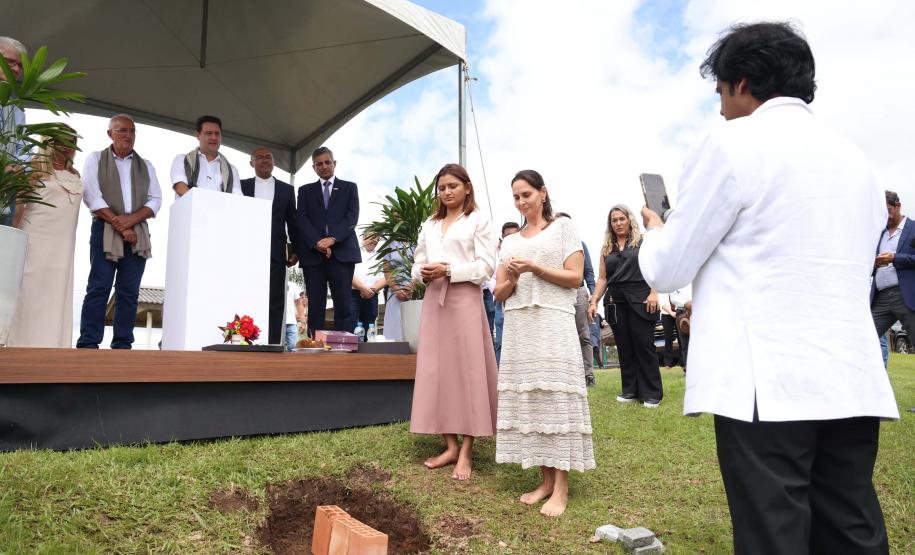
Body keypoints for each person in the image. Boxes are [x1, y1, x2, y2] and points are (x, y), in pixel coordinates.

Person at [638, 22, 898, 554]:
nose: (719, 108)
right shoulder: (858, 161)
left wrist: (656, 230)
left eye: (720, 92)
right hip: (849, 372)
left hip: (766, 380)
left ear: (743, 82)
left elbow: (667, 269)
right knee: (851, 527)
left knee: (772, 534)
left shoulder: (731, 143)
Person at [494, 169, 595, 517]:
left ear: (543, 193)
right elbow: (499, 292)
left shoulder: (564, 227)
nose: (522, 202)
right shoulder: (509, 242)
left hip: (553, 319)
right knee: (532, 400)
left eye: (527, 194)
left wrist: (535, 267)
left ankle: (562, 487)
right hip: (520, 323)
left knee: (555, 398)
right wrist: (513, 276)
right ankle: (545, 480)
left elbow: (575, 277)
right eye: (517, 197)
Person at [410, 163, 498, 481]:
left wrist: (449, 270)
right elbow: (417, 261)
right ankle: (448, 445)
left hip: (464, 300)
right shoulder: (430, 223)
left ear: (467, 187)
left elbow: (486, 266)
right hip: (435, 301)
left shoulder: (479, 220)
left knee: (467, 370)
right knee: (438, 370)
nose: (447, 192)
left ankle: (467, 450)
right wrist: (424, 271)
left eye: (453, 186)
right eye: (442, 188)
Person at [77, 115, 162, 349]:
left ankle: (123, 344)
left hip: (138, 234)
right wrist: (121, 225)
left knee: (129, 292)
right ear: (110, 134)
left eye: (132, 131)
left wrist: (131, 221)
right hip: (104, 229)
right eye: (122, 130)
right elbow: (91, 196)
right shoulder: (95, 159)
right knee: (99, 287)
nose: (128, 135)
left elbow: (155, 200)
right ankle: (88, 343)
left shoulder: (147, 165)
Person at [7, 128, 81, 347]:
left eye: (72, 141)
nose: (68, 145)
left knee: (57, 295)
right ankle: (21, 349)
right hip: (35, 244)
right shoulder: (32, 170)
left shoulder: (76, 175)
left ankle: (52, 349)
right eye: (62, 141)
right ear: (49, 143)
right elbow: (19, 207)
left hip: (63, 249)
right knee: (30, 295)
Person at [588, 205, 663, 407]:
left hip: (641, 298)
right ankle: (630, 390)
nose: (619, 223)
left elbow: (655, 268)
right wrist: (593, 300)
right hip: (615, 300)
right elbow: (603, 278)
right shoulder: (606, 248)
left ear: (629, 219)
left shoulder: (643, 242)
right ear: (610, 224)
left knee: (643, 345)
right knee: (624, 346)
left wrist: (654, 292)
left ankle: (652, 393)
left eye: (622, 219)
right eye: (614, 220)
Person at [295, 146, 360, 334]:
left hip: (342, 253)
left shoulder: (349, 187)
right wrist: (318, 243)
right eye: (319, 164)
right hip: (313, 255)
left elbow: (352, 217)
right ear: (313, 167)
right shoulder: (305, 191)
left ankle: (344, 346)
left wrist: (332, 239)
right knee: (315, 303)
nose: (324, 166)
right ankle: (314, 346)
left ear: (334, 163)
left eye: (327, 162)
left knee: (343, 303)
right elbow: (302, 219)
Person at [240, 146, 298, 345]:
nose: (264, 160)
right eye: (259, 157)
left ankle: (273, 345)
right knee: (246, 296)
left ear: (274, 162)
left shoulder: (287, 189)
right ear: (251, 163)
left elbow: (293, 222)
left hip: (276, 254)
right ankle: (245, 342)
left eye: (268, 157)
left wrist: (295, 250)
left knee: (275, 302)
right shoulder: (241, 186)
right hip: (247, 252)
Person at [556, 212, 597, 386]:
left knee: (584, 335)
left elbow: (588, 272)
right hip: (558, 292)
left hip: (578, 292)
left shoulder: (580, 245)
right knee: (561, 336)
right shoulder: (550, 246)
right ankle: (567, 375)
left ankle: (588, 374)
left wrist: (593, 298)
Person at [871, 191, 915, 344]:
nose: (886, 217)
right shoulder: (878, 233)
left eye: (888, 211)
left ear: (898, 206)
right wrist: (873, 264)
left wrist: (895, 257)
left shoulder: (913, 229)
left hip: (907, 296)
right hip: (880, 297)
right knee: (864, 339)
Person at [170, 115, 241, 197]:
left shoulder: (232, 170)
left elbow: (237, 197)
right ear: (198, 135)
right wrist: (203, 205)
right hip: (191, 208)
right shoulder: (182, 160)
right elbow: (180, 187)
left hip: (221, 209)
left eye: (217, 134)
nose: (214, 137)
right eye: (209, 133)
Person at [0, 36, 27, 227]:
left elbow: (23, 146)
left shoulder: (17, 107)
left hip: (7, 188)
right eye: (10, 62)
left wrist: (19, 168)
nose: (17, 69)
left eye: (20, 65)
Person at [349, 231, 386, 338]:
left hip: (372, 294)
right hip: (353, 293)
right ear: (364, 237)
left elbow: (386, 276)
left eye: (377, 239)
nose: (375, 241)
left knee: (369, 325)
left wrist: (372, 289)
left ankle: (366, 352)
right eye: (372, 237)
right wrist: (362, 288)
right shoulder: (353, 250)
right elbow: (348, 272)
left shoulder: (381, 255)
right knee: (351, 324)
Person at [493, 221, 520, 363]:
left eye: (515, 236)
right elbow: (497, 291)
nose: (511, 240)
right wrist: (511, 282)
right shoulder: (501, 259)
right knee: (501, 343)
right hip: (501, 305)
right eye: (507, 237)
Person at [381, 243, 412, 341]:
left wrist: (413, 286)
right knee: (394, 329)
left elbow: (423, 264)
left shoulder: (418, 238)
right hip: (395, 292)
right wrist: (396, 288)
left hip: (416, 289)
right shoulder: (389, 243)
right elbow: (386, 269)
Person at [283, 281, 302, 351]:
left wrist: (303, 322)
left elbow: (299, 303)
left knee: (294, 348)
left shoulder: (293, 285)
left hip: (291, 322)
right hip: (276, 323)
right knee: (276, 349)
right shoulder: (272, 282)